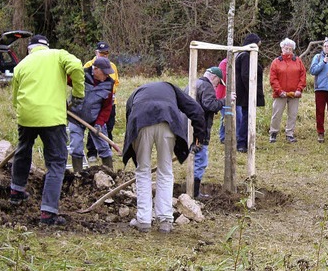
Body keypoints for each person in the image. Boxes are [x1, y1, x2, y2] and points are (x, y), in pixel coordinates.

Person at [10, 34, 85, 226]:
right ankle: (48, 213)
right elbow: (77, 67)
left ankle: (16, 191)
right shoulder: (58, 55)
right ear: (46, 46)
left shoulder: (22, 65)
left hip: (26, 115)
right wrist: (77, 94)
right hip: (52, 117)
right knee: (57, 162)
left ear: (30, 49)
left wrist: (23, 112)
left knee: (23, 149)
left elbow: (14, 97)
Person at [122, 82, 206, 233]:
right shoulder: (171, 88)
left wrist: (132, 152)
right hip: (167, 122)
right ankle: (165, 220)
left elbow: (130, 121)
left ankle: (143, 220)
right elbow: (196, 110)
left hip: (141, 122)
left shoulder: (135, 94)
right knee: (165, 171)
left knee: (142, 171)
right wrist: (199, 137)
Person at [186, 67, 234, 198]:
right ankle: (194, 193)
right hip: (200, 129)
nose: (217, 85)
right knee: (200, 160)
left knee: (194, 158)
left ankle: (191, 190)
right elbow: (209, 105)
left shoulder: (194, 83)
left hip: (188, 127)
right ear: (214, 77)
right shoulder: (207, 86)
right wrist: (225, 100)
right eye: (218, 82)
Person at [68, 57, 115, 173]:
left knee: (104, 147)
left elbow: (106, 107)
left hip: (95, 119)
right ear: (96, 69)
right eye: (105, 72)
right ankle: (78, 174)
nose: (107, 75)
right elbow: (63, 81)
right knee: (76, 146)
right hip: (75, 117)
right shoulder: (81, 75)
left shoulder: (108, 85)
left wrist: (99, 123)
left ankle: (110, 173)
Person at [83, 42, 120, 163]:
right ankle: (92, 153)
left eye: (106, 53)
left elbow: (115, 83)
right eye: (102, 53)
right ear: (96, 52)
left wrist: (110, 94)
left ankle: (106, 154)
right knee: (93, 129)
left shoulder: (112, 66)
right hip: (92, 105)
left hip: (108, 101)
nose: (104, 55)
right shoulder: (89, 66)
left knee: (106, 127)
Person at [268, 38, 306, 143]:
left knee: (292, 114)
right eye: (286, 48)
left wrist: (299, 89)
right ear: (282, 48)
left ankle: (290, 134)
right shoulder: (276, 62)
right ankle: (273, 133)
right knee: (276, 114)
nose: (288, 50)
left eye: (290, 48)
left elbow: (303, 76)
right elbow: (273, 78)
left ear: (293, 49)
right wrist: (279, 91)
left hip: (294, 94)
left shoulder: (298, 61)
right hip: (280, 94)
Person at [235, 33, 265, 152]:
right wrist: (253, 92)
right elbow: (246, 75)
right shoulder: (246, 56)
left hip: (247, 93)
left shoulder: (243, 55)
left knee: (248, 117)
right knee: (247, 118)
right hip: (247, 93)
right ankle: (242, 143)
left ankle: (247, 142)